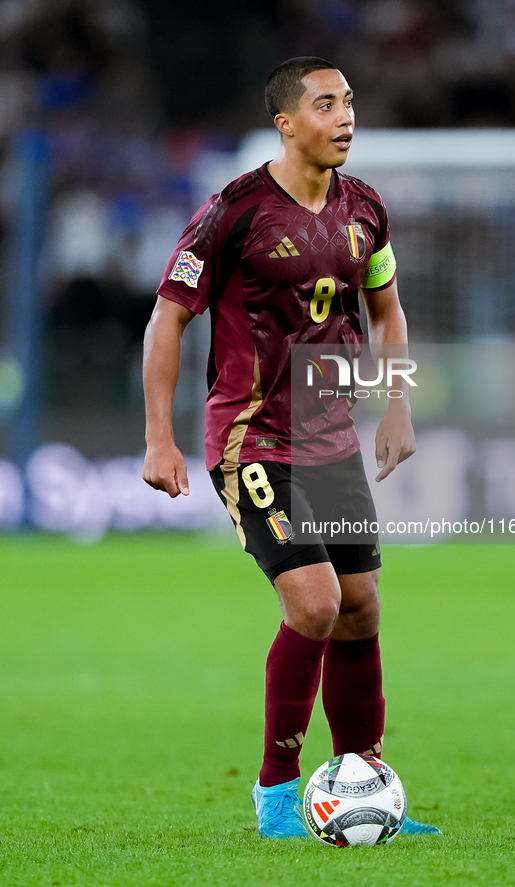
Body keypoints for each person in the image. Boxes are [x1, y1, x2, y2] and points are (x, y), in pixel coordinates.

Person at [142, 57, 440, 839]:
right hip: (249, 437)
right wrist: (158, 438)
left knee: (361, 609)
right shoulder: (233, 211)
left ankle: (364, 782)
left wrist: (396, 406)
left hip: (328, 435)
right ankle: (276, 795)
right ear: (286, 122)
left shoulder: (366, 208)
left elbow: (388, 308)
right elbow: (166, 319)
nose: (345, 116)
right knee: (314, 603)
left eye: (349, 102)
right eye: (325, 104)